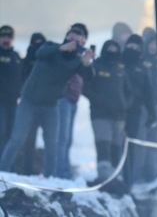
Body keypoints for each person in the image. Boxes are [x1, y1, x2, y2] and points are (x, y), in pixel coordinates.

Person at [0, 26, 95, 176]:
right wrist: (61, 48)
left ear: (82, 44)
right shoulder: (51, 47)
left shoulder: (77, 61)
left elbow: (89, 78)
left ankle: (50, 178)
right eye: (70, 39)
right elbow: (39, 53)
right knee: (17, 138)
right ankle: (2, 171)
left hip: (51, 105)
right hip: (29, 101)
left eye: (77, 42)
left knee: (52, 144)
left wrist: (86, 63)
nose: (72, 43)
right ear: (65, 38)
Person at [84, 39, 132, 173]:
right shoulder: (96, 66)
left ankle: (117, 177)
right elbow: (86, 87)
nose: (112, 53)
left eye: (115, 50)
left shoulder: (120, 69)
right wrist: (98, 101)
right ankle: (104, 177)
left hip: (119, 116)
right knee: (103, 145)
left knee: (117, 147)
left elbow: (129, 92)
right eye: (109, 50)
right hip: (100, 114)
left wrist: (125, 105)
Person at [55, 22, 89, 179]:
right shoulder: (63, 52)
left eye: (80, 41)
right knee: (62, 137)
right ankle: (61, 172)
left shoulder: (81, 56)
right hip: (63, 97)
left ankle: (64, 168)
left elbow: (89, 75)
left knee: (67, 138)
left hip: (73, 99)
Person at [122, 34, 156, 186]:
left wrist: (152, 114)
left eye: (137, 48)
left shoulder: (142, 68)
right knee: (115, 145)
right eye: (131, 47)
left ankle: (128, 179)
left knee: (131, 147)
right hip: (116, 111)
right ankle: (114, 177)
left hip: (135, 111)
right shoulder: (117, 62)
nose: (133, 50)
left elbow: (148, 93)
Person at [16, 32, 46, 175]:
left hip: (47, 104)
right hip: (28, 103)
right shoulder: (25, 60)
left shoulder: (49, 61)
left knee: (49, 140)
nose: (37, 46)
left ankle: (44, 171)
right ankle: (25, 168)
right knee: (26, 138)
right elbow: (20, 79)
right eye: (35, 43)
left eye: (41, 43)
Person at [141, 28, 157, 180]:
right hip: (142, 105)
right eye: (151, 43)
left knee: (154, 141)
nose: (153, 46)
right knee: (141, 140)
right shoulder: (141, 59)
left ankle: (151, 173)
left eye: (156, 43)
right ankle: (138, 172)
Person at [0, 25, 22, 158]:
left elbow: (20, 77)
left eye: (9, 37)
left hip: (13, 102)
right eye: (3, 36)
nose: (6, 39)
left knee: (11, 135)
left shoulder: (16, 57)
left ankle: (8, 167)